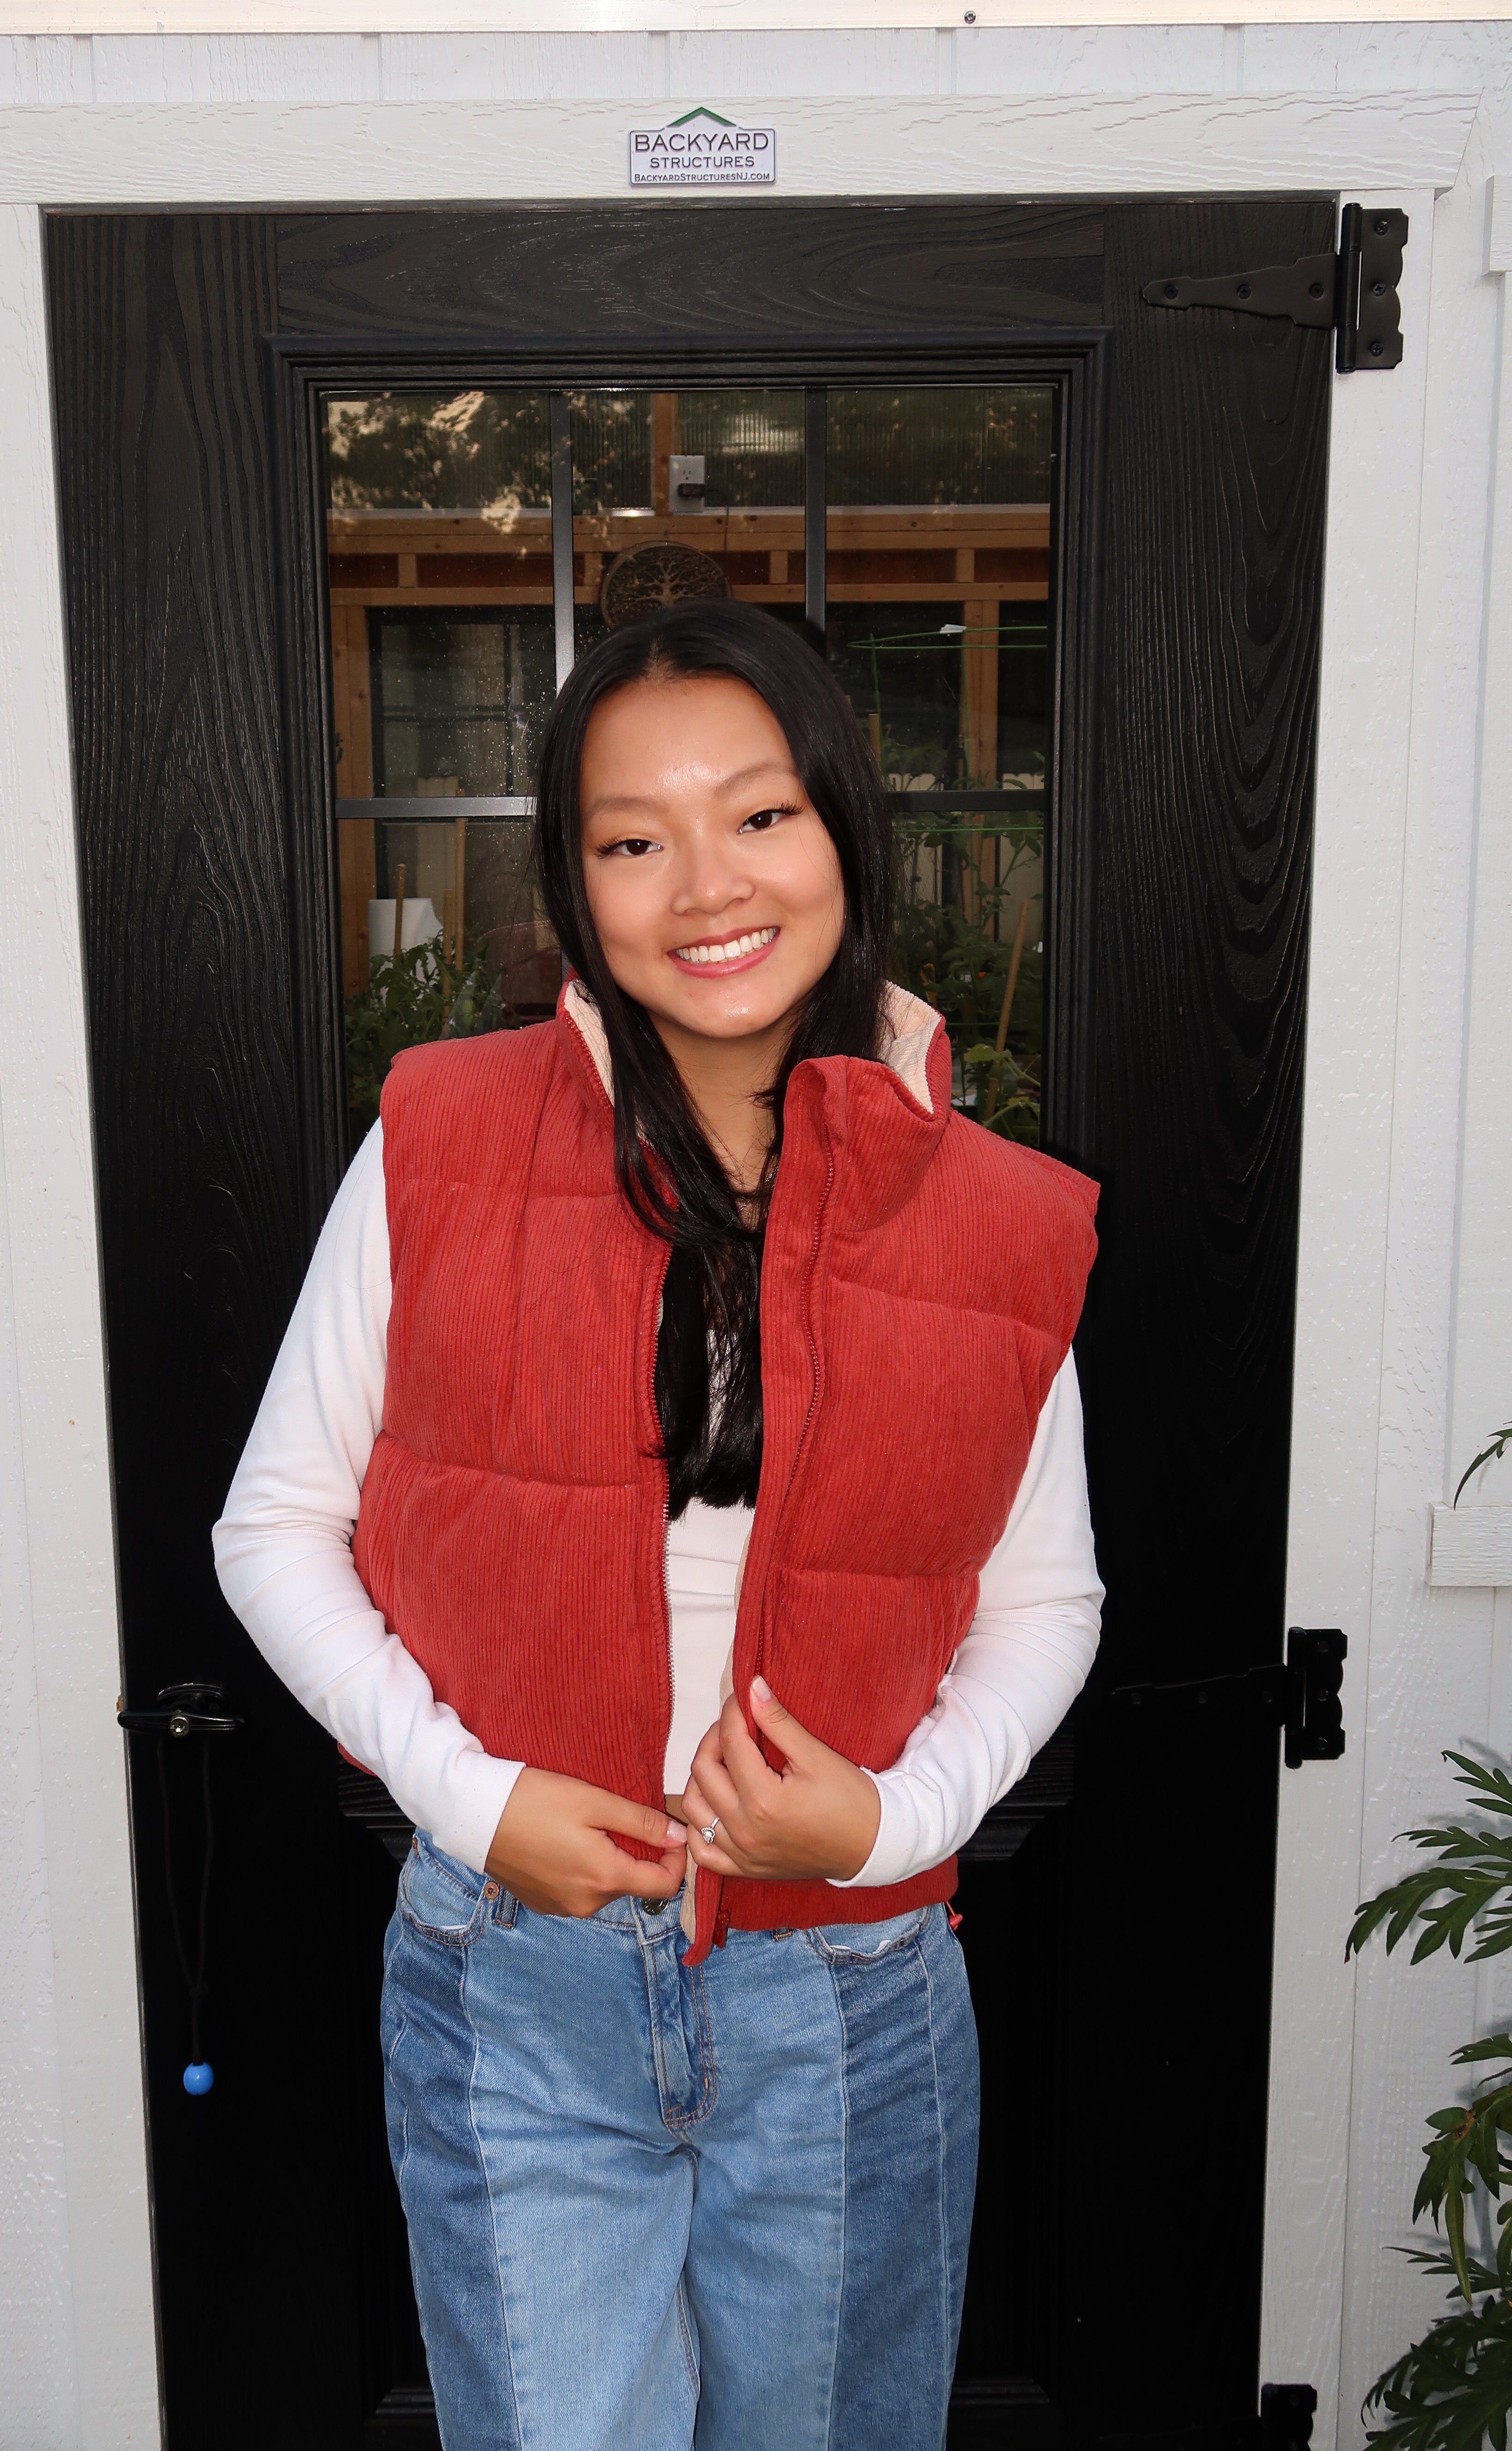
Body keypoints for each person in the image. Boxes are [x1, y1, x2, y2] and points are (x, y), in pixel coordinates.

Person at [213, 599, 1102, 2451]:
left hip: (849, 2004)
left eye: (759, 814)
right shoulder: (440, 1142)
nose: (707, 883)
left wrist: (893, 1821)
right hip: (510, 1989)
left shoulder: (994, 1217)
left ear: (844, 828)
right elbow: (272, 1528)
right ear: (577, 880)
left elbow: (1050, 1603)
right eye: (632, 838)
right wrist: (474, 1803)